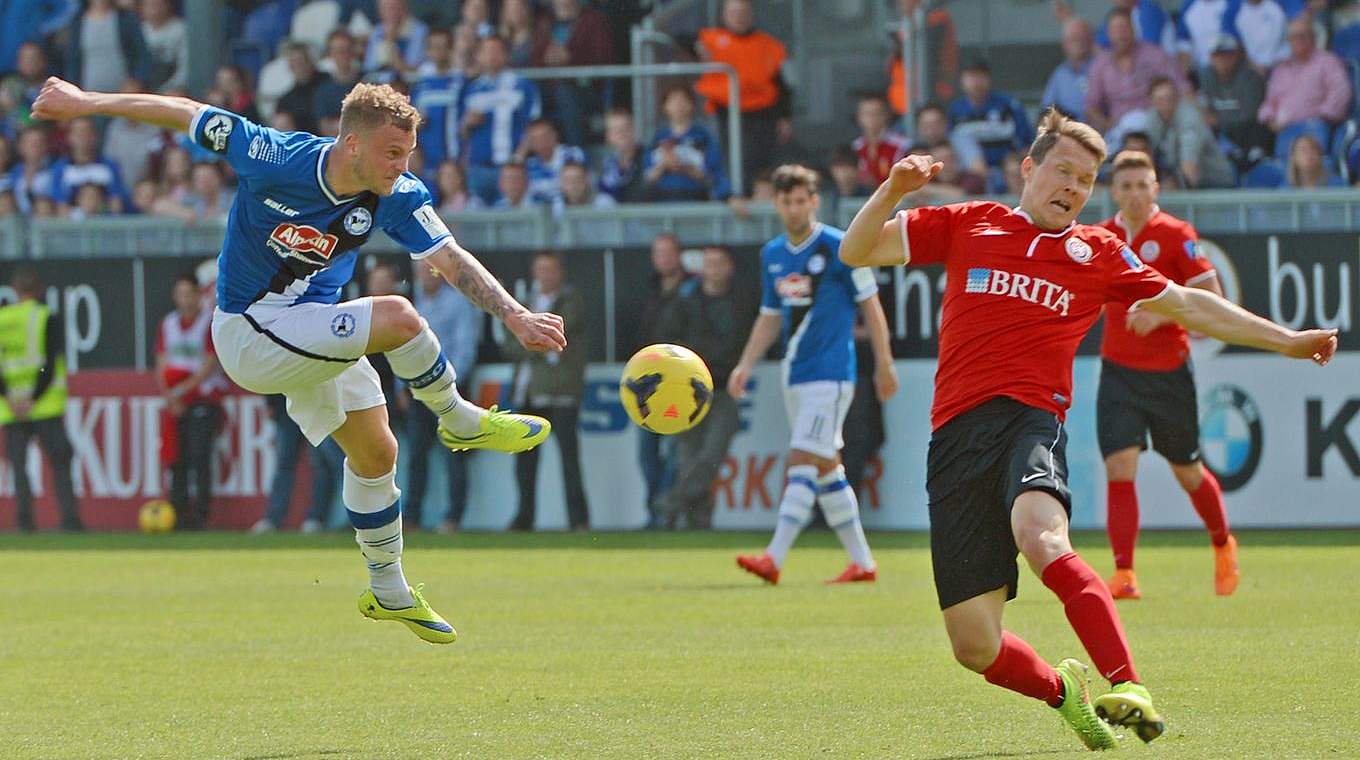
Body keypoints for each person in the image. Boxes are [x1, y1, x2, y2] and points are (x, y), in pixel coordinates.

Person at [839, 109, 1336, 750]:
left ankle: (1129, 684)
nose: (1073, 187)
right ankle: (1064, 695)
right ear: (1029, 168)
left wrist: (1285, 340)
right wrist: (893, 190)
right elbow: (856, 250)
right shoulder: (970, 223)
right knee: (975, 647)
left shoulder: (1096, 253)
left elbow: (1188, 302)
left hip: (1030, 420)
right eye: (1062, 171)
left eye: (1085, 179)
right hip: (956, 437)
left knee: (1041, 535)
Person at [33, 76, 565, 644]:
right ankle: (459, 421)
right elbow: (184, 111)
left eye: (407, 154)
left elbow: (451, 259)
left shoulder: (397, 194)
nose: (400, 166)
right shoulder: (274, 155)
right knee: (400, 317)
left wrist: (514, 314)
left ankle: (389, 592)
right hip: (249, 330)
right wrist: (87, 103)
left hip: (308, 329)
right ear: (351, 144)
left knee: (377, 452)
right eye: (391, 153)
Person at [730, 164, 899, 585]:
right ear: (777, 203)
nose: (793, 208)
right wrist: (746, 363)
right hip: (795, 374)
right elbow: (769, 316)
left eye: (800, 200)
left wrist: (884, 363)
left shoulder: (842, 247)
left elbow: (871, 306)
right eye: (786, 201)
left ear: (814, 201)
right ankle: (862, 562)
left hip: (831, 374)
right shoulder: (772, 254)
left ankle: (774, 557)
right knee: (826, 466)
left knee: (802, 457)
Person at [1096, 150, 1238, 600]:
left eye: (1144, 185)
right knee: (1120, 467)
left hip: (1168, 373)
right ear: (1114, 191)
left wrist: (1161, 316)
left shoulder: (1177, 236)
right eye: (1127, 186)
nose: (1135, 194)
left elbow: (1212, 298)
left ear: (1157, 188)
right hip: (1117, 372)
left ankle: (1222, 542)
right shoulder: (1100, 237)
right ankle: (1124, 574)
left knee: (1188, 472)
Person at [657, 245, 755, 529]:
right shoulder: (686, 300)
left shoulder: (741, 301)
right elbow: (669, 339)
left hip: (725, 388)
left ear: (729, 268)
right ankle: (698, 520)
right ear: (703, 268)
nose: (714, 269)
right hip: (688, 391)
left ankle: (671, 502)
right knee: (689, 457)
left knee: (712, 455)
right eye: (709, 263)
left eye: (719, 263)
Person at [503, 251, 589, 532]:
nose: (545, 275)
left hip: (560, 390)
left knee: (569, 458)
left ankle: (578, 520)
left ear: (560, 273)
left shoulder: (571, 301)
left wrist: (534, 345)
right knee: (524, 462)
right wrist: (538, 346)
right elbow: (511, 343)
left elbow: (563, 337)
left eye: (551, 269)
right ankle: (523, 518)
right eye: (541, 269)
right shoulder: (523, 305)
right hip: (527, 390)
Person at [0, 266, 81, 532]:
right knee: (60, 463)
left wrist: (10, 397)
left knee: (20, 468)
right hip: (43, 405)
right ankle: (69, 521)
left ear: (15, 291)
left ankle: (25, 524)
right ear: (39, 291)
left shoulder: (3, 319)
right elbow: (48, 362)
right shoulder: (46, 317)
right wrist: (33, 397)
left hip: (12, 407)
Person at [404, 260, 481, 533]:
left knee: (454, 456)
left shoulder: (457, 303)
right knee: (416, 456)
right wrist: (405, 387)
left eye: (429, 270)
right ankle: (411, 518)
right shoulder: (412, 303)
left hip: (449, 392)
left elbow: (465, 349)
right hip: (418, 393)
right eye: (420, 271)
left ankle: (453, 518)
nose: (425, 276)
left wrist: (445, 384)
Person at [155, 274, 227, 530]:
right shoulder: (169, 324)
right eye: (180, 294)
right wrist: (170, 396)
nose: (185, 300)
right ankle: (178, 515)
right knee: (177, 459)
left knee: (200, 457)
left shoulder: (208, 323)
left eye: (189, 294)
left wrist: (183, 391)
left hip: (202, 399)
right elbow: (161, 362)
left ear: (198, 295)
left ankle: (200, 516)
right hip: (177, 401)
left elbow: (209, 364)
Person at [694, 0, 787, 182]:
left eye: (743, 12)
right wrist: (696, 49)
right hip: (723, 112)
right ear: (724, 15)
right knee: (727, 160)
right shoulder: (709, 40)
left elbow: (781, 84)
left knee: (762, 163)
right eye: (734, 12)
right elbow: (679, 42)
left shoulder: (769, 45)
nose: (739, 17)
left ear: (751, 15)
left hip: (762, 114)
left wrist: (785, 116)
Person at [459, 35, 542, 206]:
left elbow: (534, 126)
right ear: (478, 56)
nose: (492, 56)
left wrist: (518, 159)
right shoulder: (471, 88)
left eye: (496, 51)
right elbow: (461, 132)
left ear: (506, 55)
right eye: (487, 51)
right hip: (478, 167)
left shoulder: (522, 85)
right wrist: (467, 123)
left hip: (509, 167)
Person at [852, 94, 909, 189]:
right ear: (859, 117)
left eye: (876, 113)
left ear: (886, 115)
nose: (872, 118)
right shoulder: (855, 147)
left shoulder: (902, 145)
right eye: (867, 113)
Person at [1041, 18, 1095, 120]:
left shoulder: (1101, 68)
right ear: (1064, 44)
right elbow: (1047, 108)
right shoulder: (1060, 73)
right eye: (1073, 38)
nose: (1078, 42)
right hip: (1066, 131)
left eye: (1082, 37)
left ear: (1091, 40)